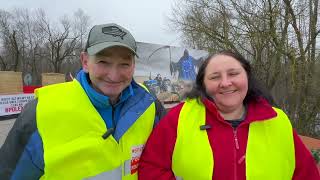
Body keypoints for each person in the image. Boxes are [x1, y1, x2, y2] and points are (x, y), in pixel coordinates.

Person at [0, 23, 166, 180]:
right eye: (103, 62)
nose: (114, 75)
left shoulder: (149, 105)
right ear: (85, 61)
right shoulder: (40, 113)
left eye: (124, 64)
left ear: (133, 65)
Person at [138, 50, 320, 180]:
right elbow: (151, 167)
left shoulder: (277, 120)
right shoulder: (180, 117)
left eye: (233, 73)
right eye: (215, 77)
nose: (225, 83)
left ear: (247, 77)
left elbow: (306, 173)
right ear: (203, 84)